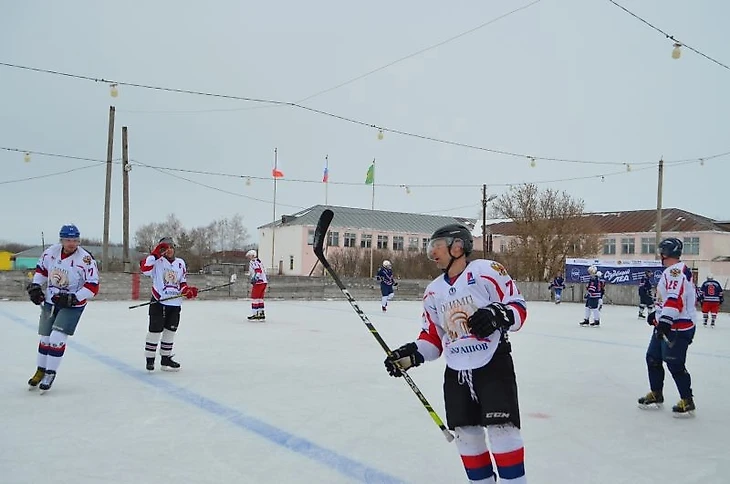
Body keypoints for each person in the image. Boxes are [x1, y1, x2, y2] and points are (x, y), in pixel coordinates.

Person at [384, 224, 527, 483]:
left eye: (436, 246)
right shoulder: (433, 291)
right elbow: (433, 340)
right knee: (466, 437)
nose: (432, 253)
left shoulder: (486, 271)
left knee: (502, 432)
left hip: (492, 364)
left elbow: (517, 308)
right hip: (457, 372)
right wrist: (410, 355)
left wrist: (497, 314)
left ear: (457, 246)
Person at [25, 224, 99, 392]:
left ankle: (51, 372)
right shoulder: (51, 253)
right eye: (68, 240)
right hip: (51, 300)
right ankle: (40, 370)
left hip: (72, 305)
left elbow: (93, 286)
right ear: (62, 240)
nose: (71, 243)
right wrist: (36, 286)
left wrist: (75, 297)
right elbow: (42, 271)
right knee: (45, 338)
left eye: (74, 240)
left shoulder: (86, 259)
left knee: (57, 337)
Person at [638, 237, 697, 416]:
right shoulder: (672, 271)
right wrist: (656, 315)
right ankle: (656, 393)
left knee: (674, 363)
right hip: (667, 324)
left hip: (678, 327)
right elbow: (665, 300)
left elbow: (675, 299)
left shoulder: (676, 272)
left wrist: (665, 321)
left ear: (666, 253)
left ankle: (687, 400)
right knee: (652, 358)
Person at [140, 237, 198, 371]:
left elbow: (182, 282)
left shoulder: (180, 263)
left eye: (171, 247)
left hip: (175, 303)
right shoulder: (156, 261)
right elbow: (145, 269)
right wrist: (154, 254)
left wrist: (187, 291)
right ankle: (150, 359)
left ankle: (165, 359)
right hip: (159, 301)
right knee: (154, 331)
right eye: (165, 248)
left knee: (170, 331)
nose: (169, 250)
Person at [246, 249, 268, 321]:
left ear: (252, 256)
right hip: (264, 282)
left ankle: (255, 314)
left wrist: (255, 279)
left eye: (249, 256)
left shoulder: (253, 262)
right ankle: (261, 313)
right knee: (260, 298)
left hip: (259, 282)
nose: (249, 257)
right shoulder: (258, 261)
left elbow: (258, 271)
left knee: (255, 298)